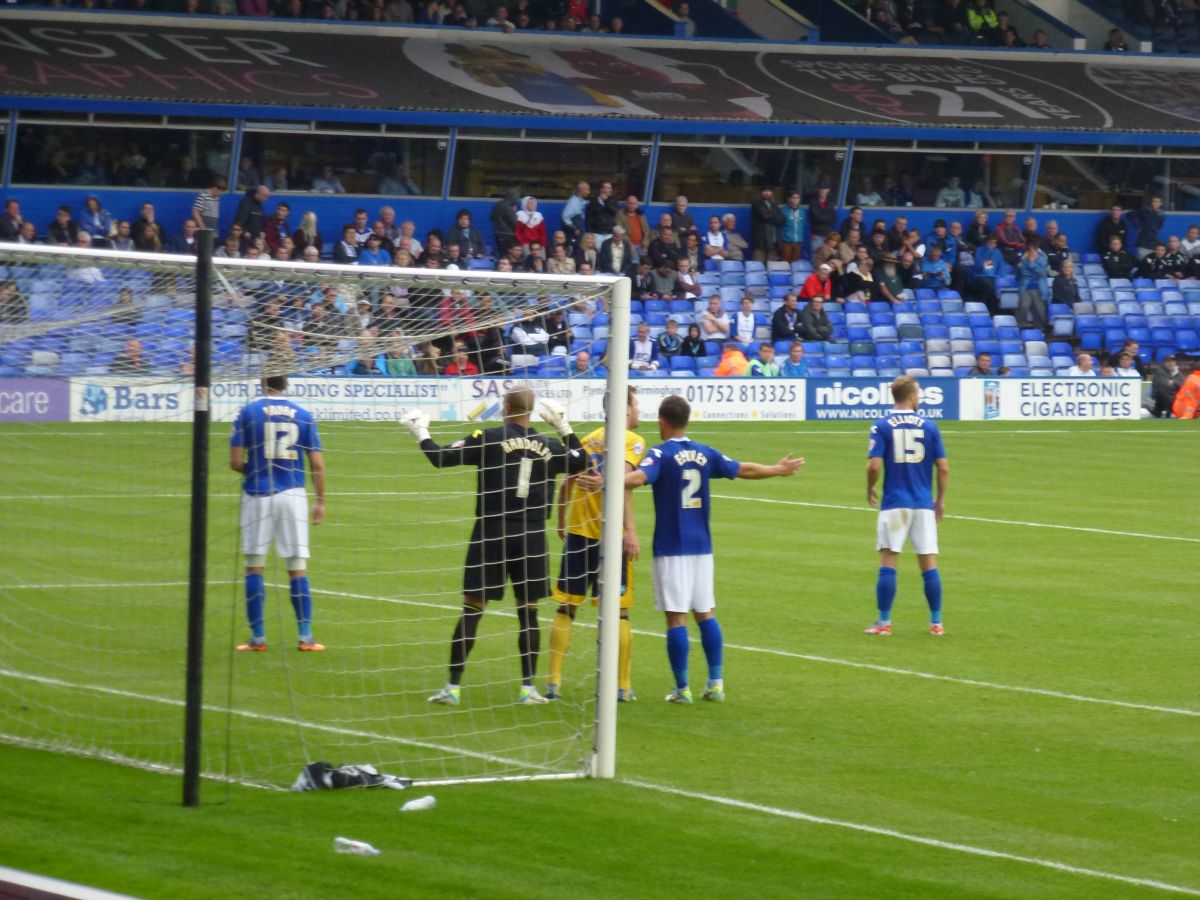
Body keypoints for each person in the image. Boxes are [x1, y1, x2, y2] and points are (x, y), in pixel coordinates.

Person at [402, 390, 587, 706]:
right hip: (531, 536)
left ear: (505, 407)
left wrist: (421, 432)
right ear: (531, 412)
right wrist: (564, 427)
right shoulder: (549, 446)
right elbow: (582, 462)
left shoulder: (487, 438)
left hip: (492, 532)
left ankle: (453, 687)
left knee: (473, 608)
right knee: (528, 612)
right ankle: (528, 689)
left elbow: (440, 458)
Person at [624, 395, 804, 703]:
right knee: (705, 613)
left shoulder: (660, 453)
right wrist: (777, 469)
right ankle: (716, 683)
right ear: (688, 420)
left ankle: (682, 690)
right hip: (702, 546)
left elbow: (640, 478)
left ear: (662, 422)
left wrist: (608, 479)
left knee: (676, 618)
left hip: (672, 546)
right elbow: (743, 469)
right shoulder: (704, 452)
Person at [547, 387, 645, 702]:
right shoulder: (633, 441)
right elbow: (626, 482)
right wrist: (631, 531)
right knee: (620, 613)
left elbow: (566, 482)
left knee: (567, 607)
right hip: (611, 537)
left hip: (578, 532)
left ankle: (553, 682)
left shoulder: (588, 439)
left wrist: (561, 519)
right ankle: (622, 686)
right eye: (636, 403)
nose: (639, 409)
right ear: (626, 408)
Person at [230, 375, 327, 652]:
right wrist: (320, 501)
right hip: (293, 495)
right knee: (297, 568)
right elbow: (318, 464)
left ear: (263, 381)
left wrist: (257, 468)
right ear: (287, 383)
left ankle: (258, 638)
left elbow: (235, 461)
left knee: (254, 566)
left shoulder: (247, 412)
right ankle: (306, 637)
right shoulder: (304, 414)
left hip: (257, 494)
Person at [865, 376, 949, 637]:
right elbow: (943, 468)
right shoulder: (930, 426)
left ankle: (884, 623)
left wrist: (869, 487)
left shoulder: (881, 425)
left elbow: (874, 465)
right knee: (929, 563)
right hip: (923, 504)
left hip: (894, 504)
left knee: (889, 561)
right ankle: (936, 623)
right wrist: (940, 500)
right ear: (911, 396)